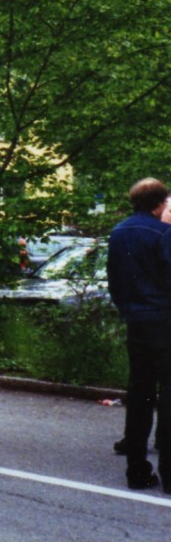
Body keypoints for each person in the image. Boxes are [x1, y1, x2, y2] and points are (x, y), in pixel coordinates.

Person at [105, 178, 171, 491]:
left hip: (137, 323)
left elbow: (114, 281)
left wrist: (129, 310)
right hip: (164, 321)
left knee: (140, 394)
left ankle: (137, 470)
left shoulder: (118, 233)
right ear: (160, 203)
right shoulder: (163, 233)